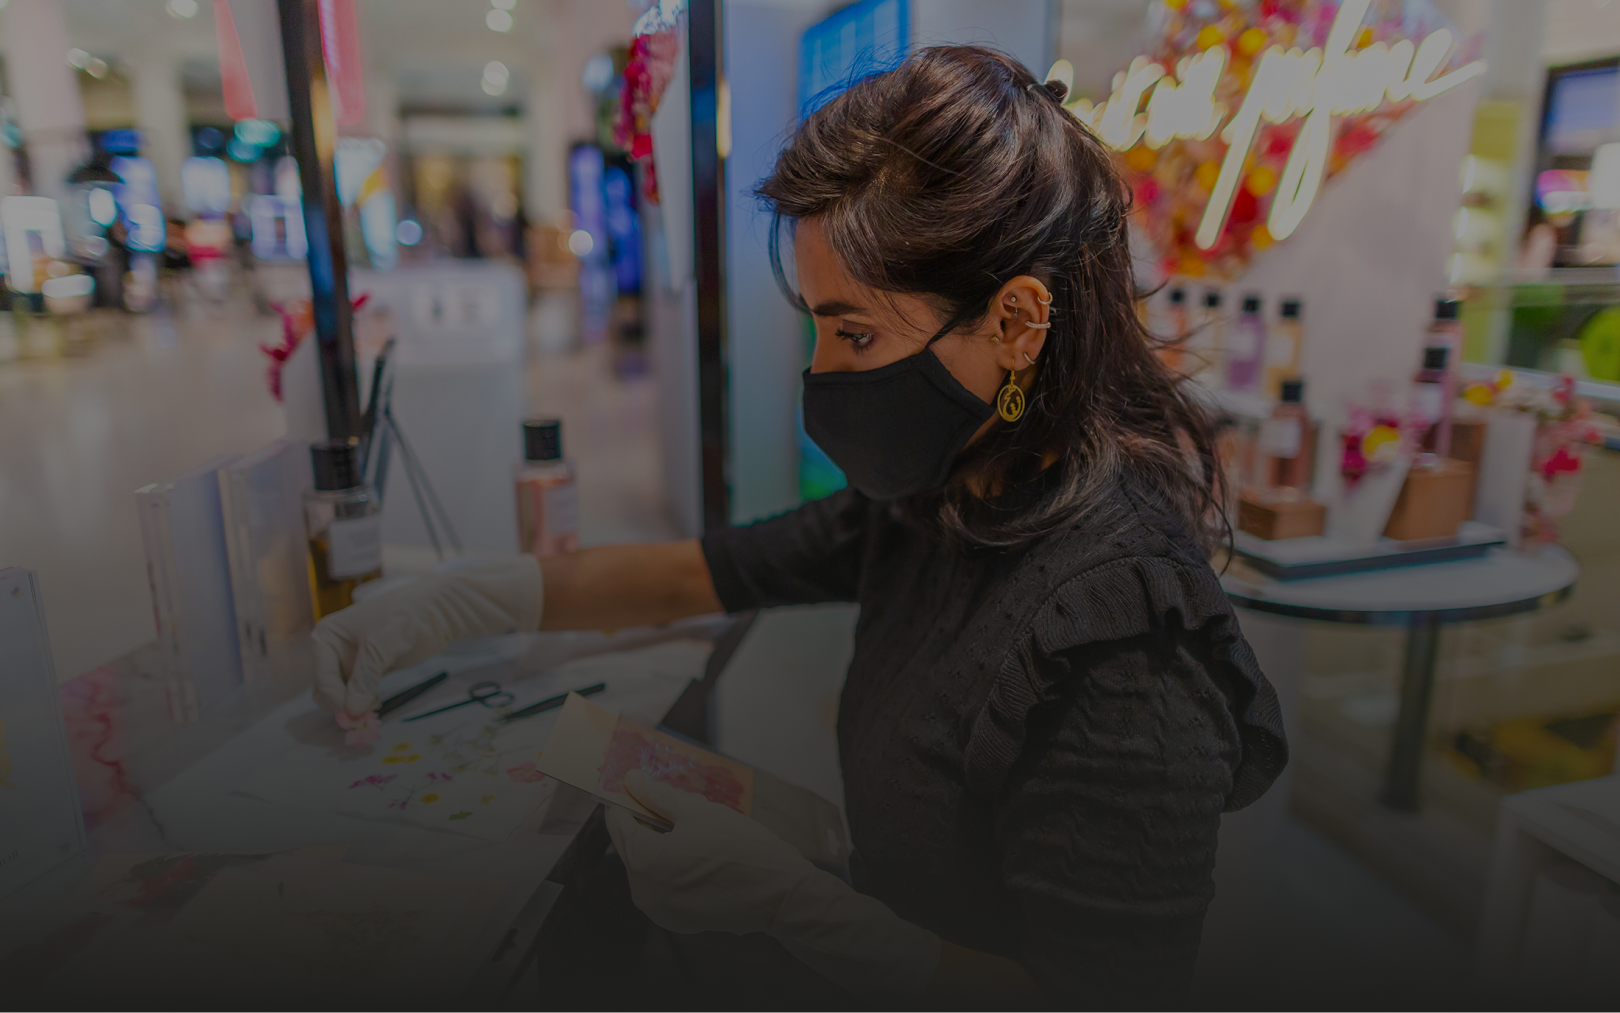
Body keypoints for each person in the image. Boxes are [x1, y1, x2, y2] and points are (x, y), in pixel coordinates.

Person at [310, 46, 1286, 1010]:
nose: (822, 374)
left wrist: (805, 911)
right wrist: (455, 599)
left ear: (1018, 321)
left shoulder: (1126, 646)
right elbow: (702, 571)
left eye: (854, 332)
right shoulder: (951, 492)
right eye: (816, 327)